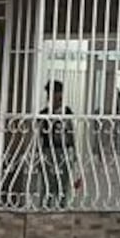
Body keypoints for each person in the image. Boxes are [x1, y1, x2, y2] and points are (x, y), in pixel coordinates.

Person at [38, 80, 76, 209]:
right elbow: (39, 134)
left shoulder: (67, 112)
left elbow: (72, 133)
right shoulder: (43, 113)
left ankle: (61, 207)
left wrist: (74, 152)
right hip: (48, 150)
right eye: (51, 94)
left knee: (63, 183)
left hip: (63, 150)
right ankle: (45, 207)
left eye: (56, 94)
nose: (53, 98)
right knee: (47, 183)